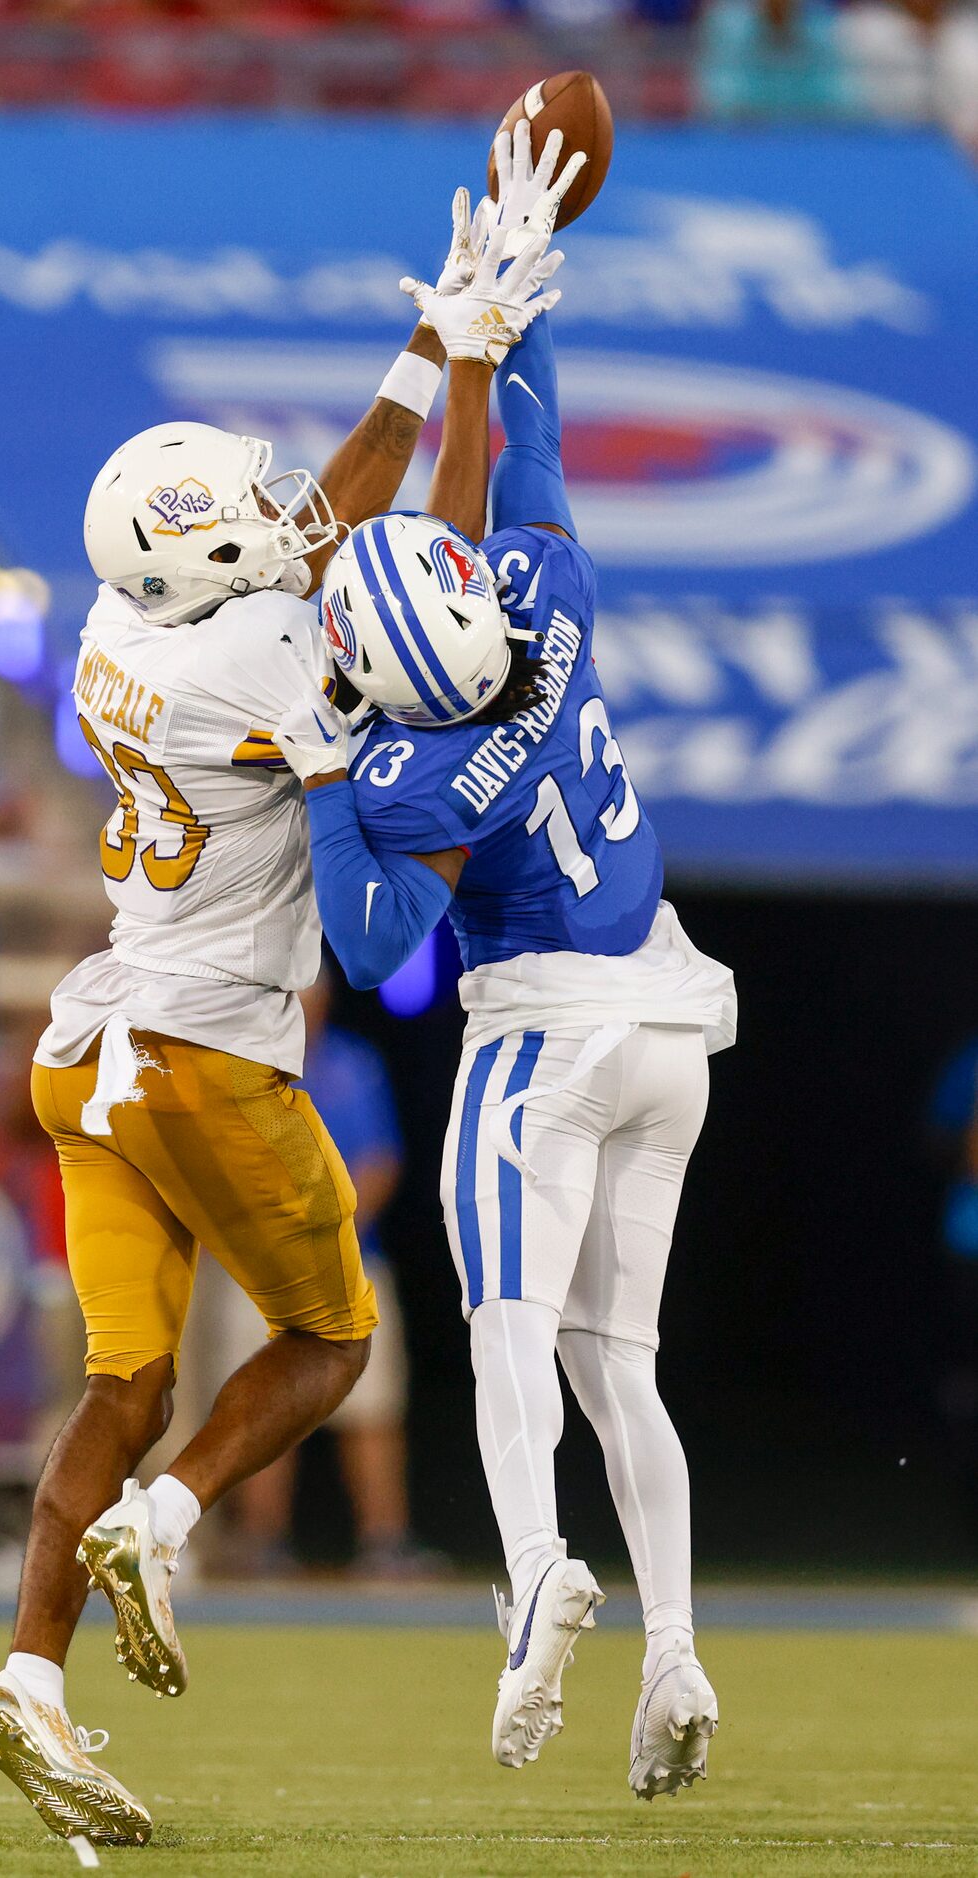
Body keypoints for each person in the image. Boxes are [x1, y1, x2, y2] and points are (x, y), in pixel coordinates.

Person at [0, 228, 562, 1849]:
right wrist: (471, 375)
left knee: (124, 1375)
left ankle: (28, 1670)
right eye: (245, 511)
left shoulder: (114, 625)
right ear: (208, 562)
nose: (283, 505)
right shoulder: (266, 655)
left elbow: (316, 522)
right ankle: (162, 1520)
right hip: (213, 1044)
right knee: (330, 1344)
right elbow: (422, 580)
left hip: (90, 1050)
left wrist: (426, 345)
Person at [275, 123, 736, 1799]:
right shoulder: (545, 594)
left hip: (543, 1036)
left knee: (504, 1327)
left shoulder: (399, 772)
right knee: (626, 1363)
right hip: (670, 1020)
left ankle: (537, 1569)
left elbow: (375, 945)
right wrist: (501, 313)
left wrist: (329, 781)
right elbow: (507, 458)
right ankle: (677, 1644)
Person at [204, 968, 431, 1579]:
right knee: (261, 1406)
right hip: (262, 1268)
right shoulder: (240, 1069)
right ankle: (261, 1541)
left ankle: (385, 1541)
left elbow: (380, 1163)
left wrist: (330, 1233)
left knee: (373, 1407)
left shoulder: (353, 1065)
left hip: (349, 1260)